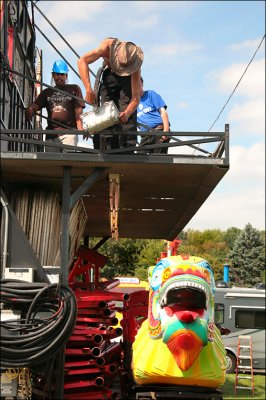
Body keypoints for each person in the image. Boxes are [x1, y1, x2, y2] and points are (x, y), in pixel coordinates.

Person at [77, 37, 144, 151]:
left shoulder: (134, 64)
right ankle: (105, 142)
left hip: (127, 81)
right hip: (110, 75)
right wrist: (88, 89)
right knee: (106, 109)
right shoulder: (106, 47)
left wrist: (127, 113)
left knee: (125, 110)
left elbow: (135, 99)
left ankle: (127, 147)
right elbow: (82, 61)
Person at [26, 60, 85, 152]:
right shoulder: (47, 92)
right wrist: (30, 108)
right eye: (57, 74)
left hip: (69, 133)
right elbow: (36, 105)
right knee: (52, 162)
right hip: (51, 134)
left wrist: (81, 127)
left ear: (66, 76)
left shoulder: (74, 89)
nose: (59, 77)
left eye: (62, 74)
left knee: (68, 161)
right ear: (53, 75)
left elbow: (78, 110)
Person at [137, 77, 170, 154]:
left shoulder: (150, 94)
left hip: (158, 131)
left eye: (139, 83)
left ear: (142, 84)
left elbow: (163, 112)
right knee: (140, 159)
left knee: (158, 160)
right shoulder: (133, 103)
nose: (137, 86)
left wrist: (166, 131)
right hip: (146, 135)